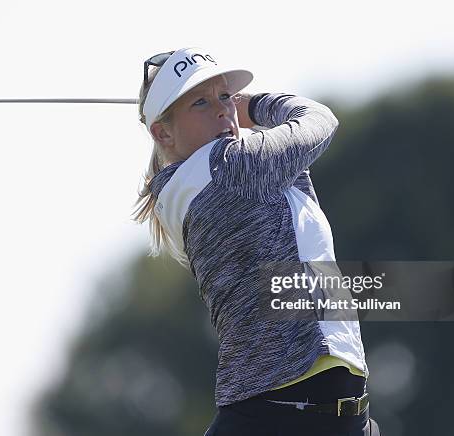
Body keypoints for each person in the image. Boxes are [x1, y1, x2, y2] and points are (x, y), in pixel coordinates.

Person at [132, 47, 380, 436]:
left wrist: (230, 109)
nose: (222, 110)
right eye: (200, 102)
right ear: (163, 132)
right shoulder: (230, 166)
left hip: (333, 418)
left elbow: (294, 166)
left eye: (224, 96)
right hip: (281, 417)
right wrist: (259, 106)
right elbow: (319, 120)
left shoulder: (213, 176)